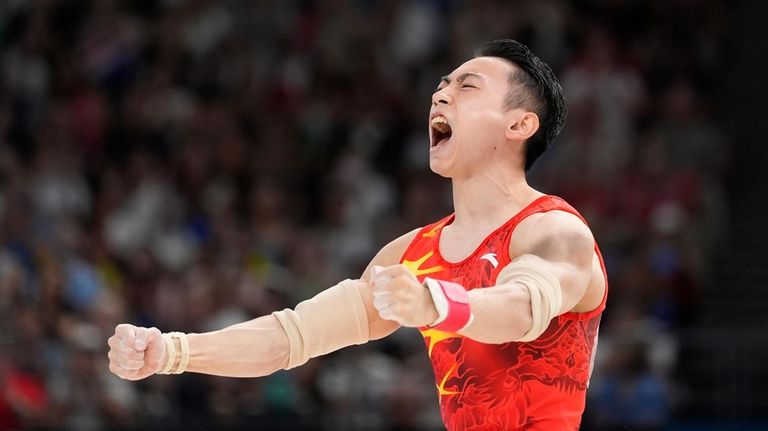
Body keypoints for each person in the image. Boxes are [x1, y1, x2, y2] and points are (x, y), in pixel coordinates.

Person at [107, 39, 608, 431]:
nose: (440, 94)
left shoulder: (556, 231)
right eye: (441, 85)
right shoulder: (413, 254)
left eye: (467, 87)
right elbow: (291, 337)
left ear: (519, 124)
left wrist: (436, 304)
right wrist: (172, 351)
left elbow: (520, 309)